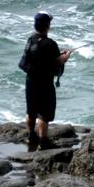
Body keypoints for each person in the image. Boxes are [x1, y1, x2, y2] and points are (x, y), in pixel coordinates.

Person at [22, 12, 71, 152]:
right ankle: (43, 142)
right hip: (44, 83)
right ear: (48, 26)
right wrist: (65, 56)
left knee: (31, 111)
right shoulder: (50, 43)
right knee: (44, 112)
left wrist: (58, 55)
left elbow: (37, 57)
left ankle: (31, 136)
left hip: (30, 81)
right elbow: (57, 61)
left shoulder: (30, 39)